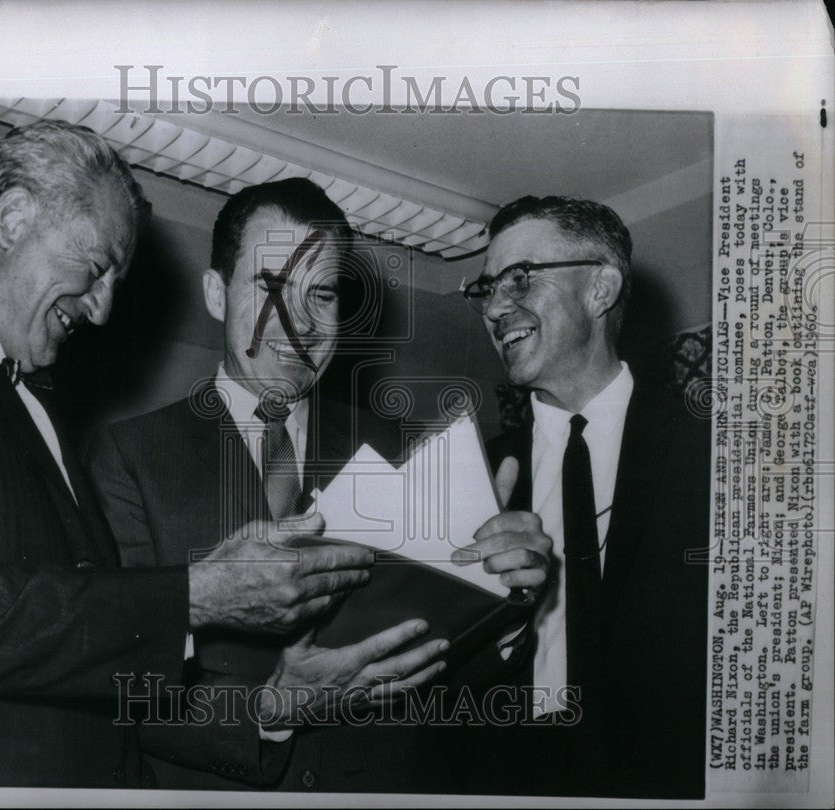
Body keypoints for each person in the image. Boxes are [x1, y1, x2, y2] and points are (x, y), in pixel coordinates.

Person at [0, 121, 412, 788]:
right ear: (13, 217)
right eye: (97, 268)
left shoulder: (27, 398)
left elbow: (80, 633)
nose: (102, 312)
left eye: (322, 295)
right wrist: (197, 597)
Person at [87, 177, 552, 792]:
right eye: (271, 286)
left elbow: (445, 673)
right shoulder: (128, 458)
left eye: (323, 294)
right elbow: (117, 689)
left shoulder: (402, 451)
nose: (298, 322)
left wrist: (508, 604)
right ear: (216, 293)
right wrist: (273, 712)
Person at [454, 195, 710, 798]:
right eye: (486, 288)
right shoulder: (471, 475)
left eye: (520, 279)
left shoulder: (717, 455)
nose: (494, 307)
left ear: (600, 290)